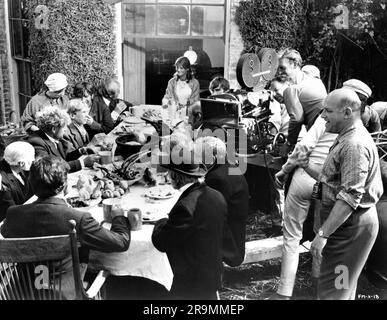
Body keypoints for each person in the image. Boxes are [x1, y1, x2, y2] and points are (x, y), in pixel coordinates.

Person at [0, 156, 131, 300]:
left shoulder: (14, 215)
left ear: (32, 185)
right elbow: (121, 242)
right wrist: (119, 217)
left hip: (23, 292)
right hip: (65, 293)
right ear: (64, 186)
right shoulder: (79, 219)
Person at [305, 88, 382, 300]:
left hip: (350, 227)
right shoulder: (347, 136)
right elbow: (334, 180)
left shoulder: (353, 144)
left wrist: (322, 235)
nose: (322, 116)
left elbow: (350, 197)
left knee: (335, 291)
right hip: (346, 224)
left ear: (347, 113)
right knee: (341, 289)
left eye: (327, 111)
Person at [152, 136, 226, 299]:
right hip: (213, 272)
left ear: (175, 175)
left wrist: (160, 221)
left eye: (169, 173)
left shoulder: (185, 207)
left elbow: (162, 242)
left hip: (191, 283)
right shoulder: (217, 196)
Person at [272, 114, 337, 299]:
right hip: (327, 181)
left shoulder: (326, 115)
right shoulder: (355, 124)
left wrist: (285, 170)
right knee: (321, 233)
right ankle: (316, 290)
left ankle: (284, 292)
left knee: (292, 235)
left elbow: (304, 146)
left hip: (307, 175)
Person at [194, 136, 249, 267]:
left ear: (212, 159)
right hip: (235, 229)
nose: (196, 161)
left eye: (199, 157)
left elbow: (210, 212)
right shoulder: (228, 166)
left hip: (228, 241)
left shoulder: (216, 178)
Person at [277, 49, 327, 154]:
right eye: (278, 69)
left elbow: (297, 120)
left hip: (319, 131)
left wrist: (288, 144)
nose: (279, 72)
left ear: (294, 64)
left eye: (282, 68)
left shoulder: (291, 90)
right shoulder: (313, 79)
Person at [28, 106, 99, 173]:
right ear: (54, 129)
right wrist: (82, 163)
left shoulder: (53, 136)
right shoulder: (36, 142)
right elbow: (50, 169)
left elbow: (63, 159)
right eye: (64, 127)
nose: (65, 130)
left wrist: (80, 151)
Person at [0, 141, 35, 221]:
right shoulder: (3, 183)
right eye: (31, 158)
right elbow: (11, 210)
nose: (33, 160)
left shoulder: (17, 166)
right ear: (21, 163)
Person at [162, 56, 200, 121]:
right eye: (177, 67)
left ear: (187, 69)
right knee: (167, 129)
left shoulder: (195, 83)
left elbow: (196, 101)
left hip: (189, 116)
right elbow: (167, 97)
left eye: (181, 68)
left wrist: (185, 108)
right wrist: (168, 102)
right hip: (174, 114)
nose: (178, 70)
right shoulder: (172, 82)